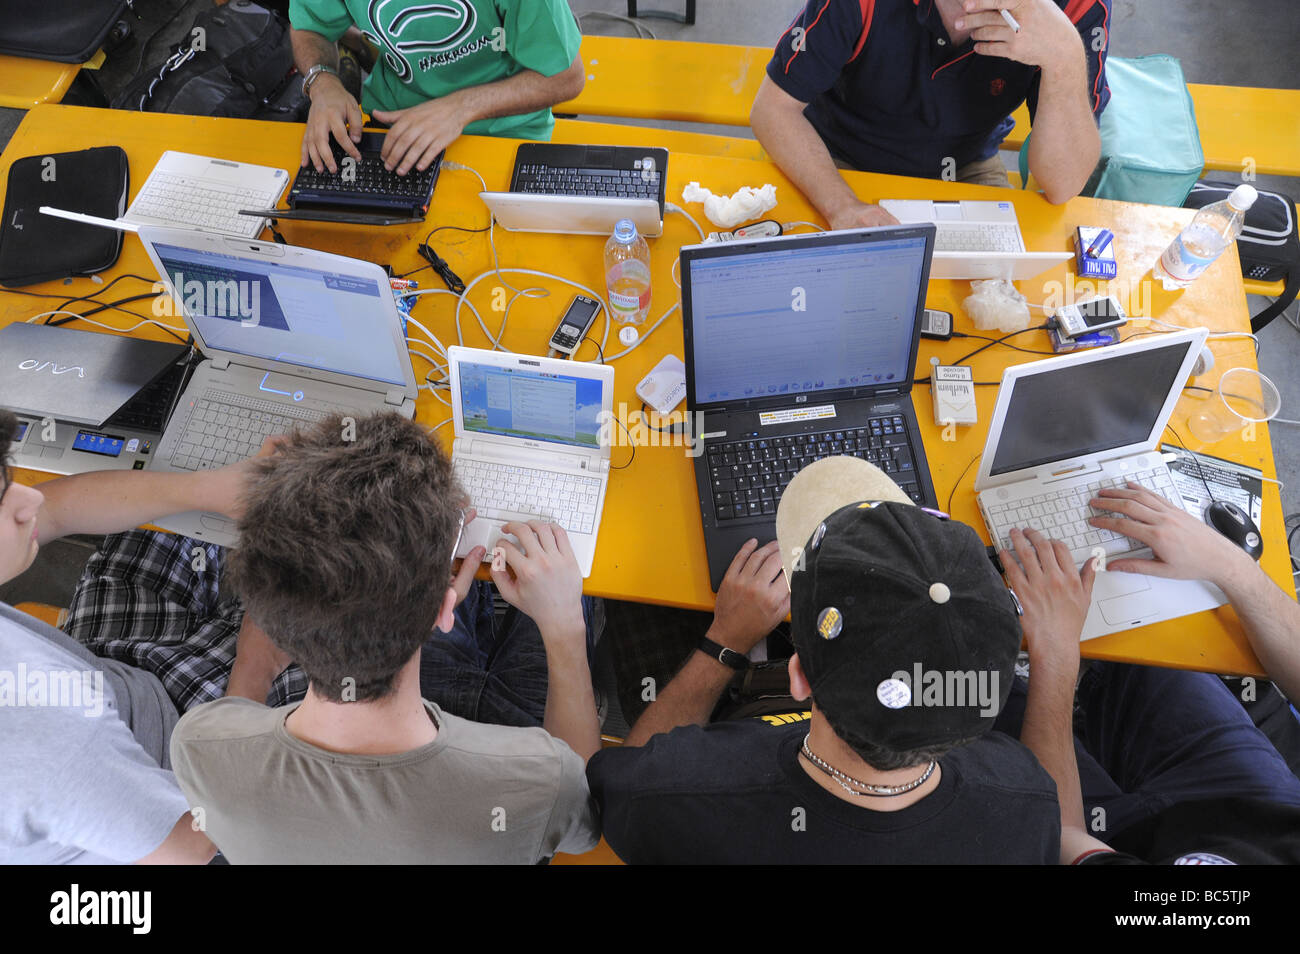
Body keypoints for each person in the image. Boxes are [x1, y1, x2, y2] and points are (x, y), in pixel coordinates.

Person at [168, 412, 601, 864]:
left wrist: (252, 668)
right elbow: (586, 823)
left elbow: (231, 725)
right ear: (441, 613)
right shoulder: (543, 777)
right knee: (565, 585)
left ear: (268, 618)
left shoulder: (199, 745)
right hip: (495, 758)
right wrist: (565, 624)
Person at [586, 456, 1060, 863]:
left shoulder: (678, 792)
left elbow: (597, 802)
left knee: (635, 606)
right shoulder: (1027, 802)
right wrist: (1058, 657)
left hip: (738, 706)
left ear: (797, 674)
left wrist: (722, 643)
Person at [1003, 483, 1300, 864]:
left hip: (1107, 843)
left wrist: (1057, 651)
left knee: (979, 696)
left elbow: (1060, 835)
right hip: (1258, 806)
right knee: (1151, 642)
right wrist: (1230, 564)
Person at [0, 408, 222, 864]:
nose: (30, 500)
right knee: (334, 596)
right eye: (3, 497)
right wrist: (253, 682)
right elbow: (188, 848)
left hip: (107, 679)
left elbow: (58, 508)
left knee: (167, 515)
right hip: (178, 761)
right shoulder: (42, 731)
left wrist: (208, 487)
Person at [750, 0, 1112, 229]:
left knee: (1002, 304)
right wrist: (841, 205)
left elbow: (1063, 184)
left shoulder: (1077, 6)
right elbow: (773, 110)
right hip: (839, 159)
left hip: (969, 164)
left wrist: (1064, 55)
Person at [289, 0, 585, 174]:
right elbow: (310, 27)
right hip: (393, 130)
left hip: (503, 134)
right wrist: (323, 81)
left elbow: (566, 77)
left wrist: (459, 108)